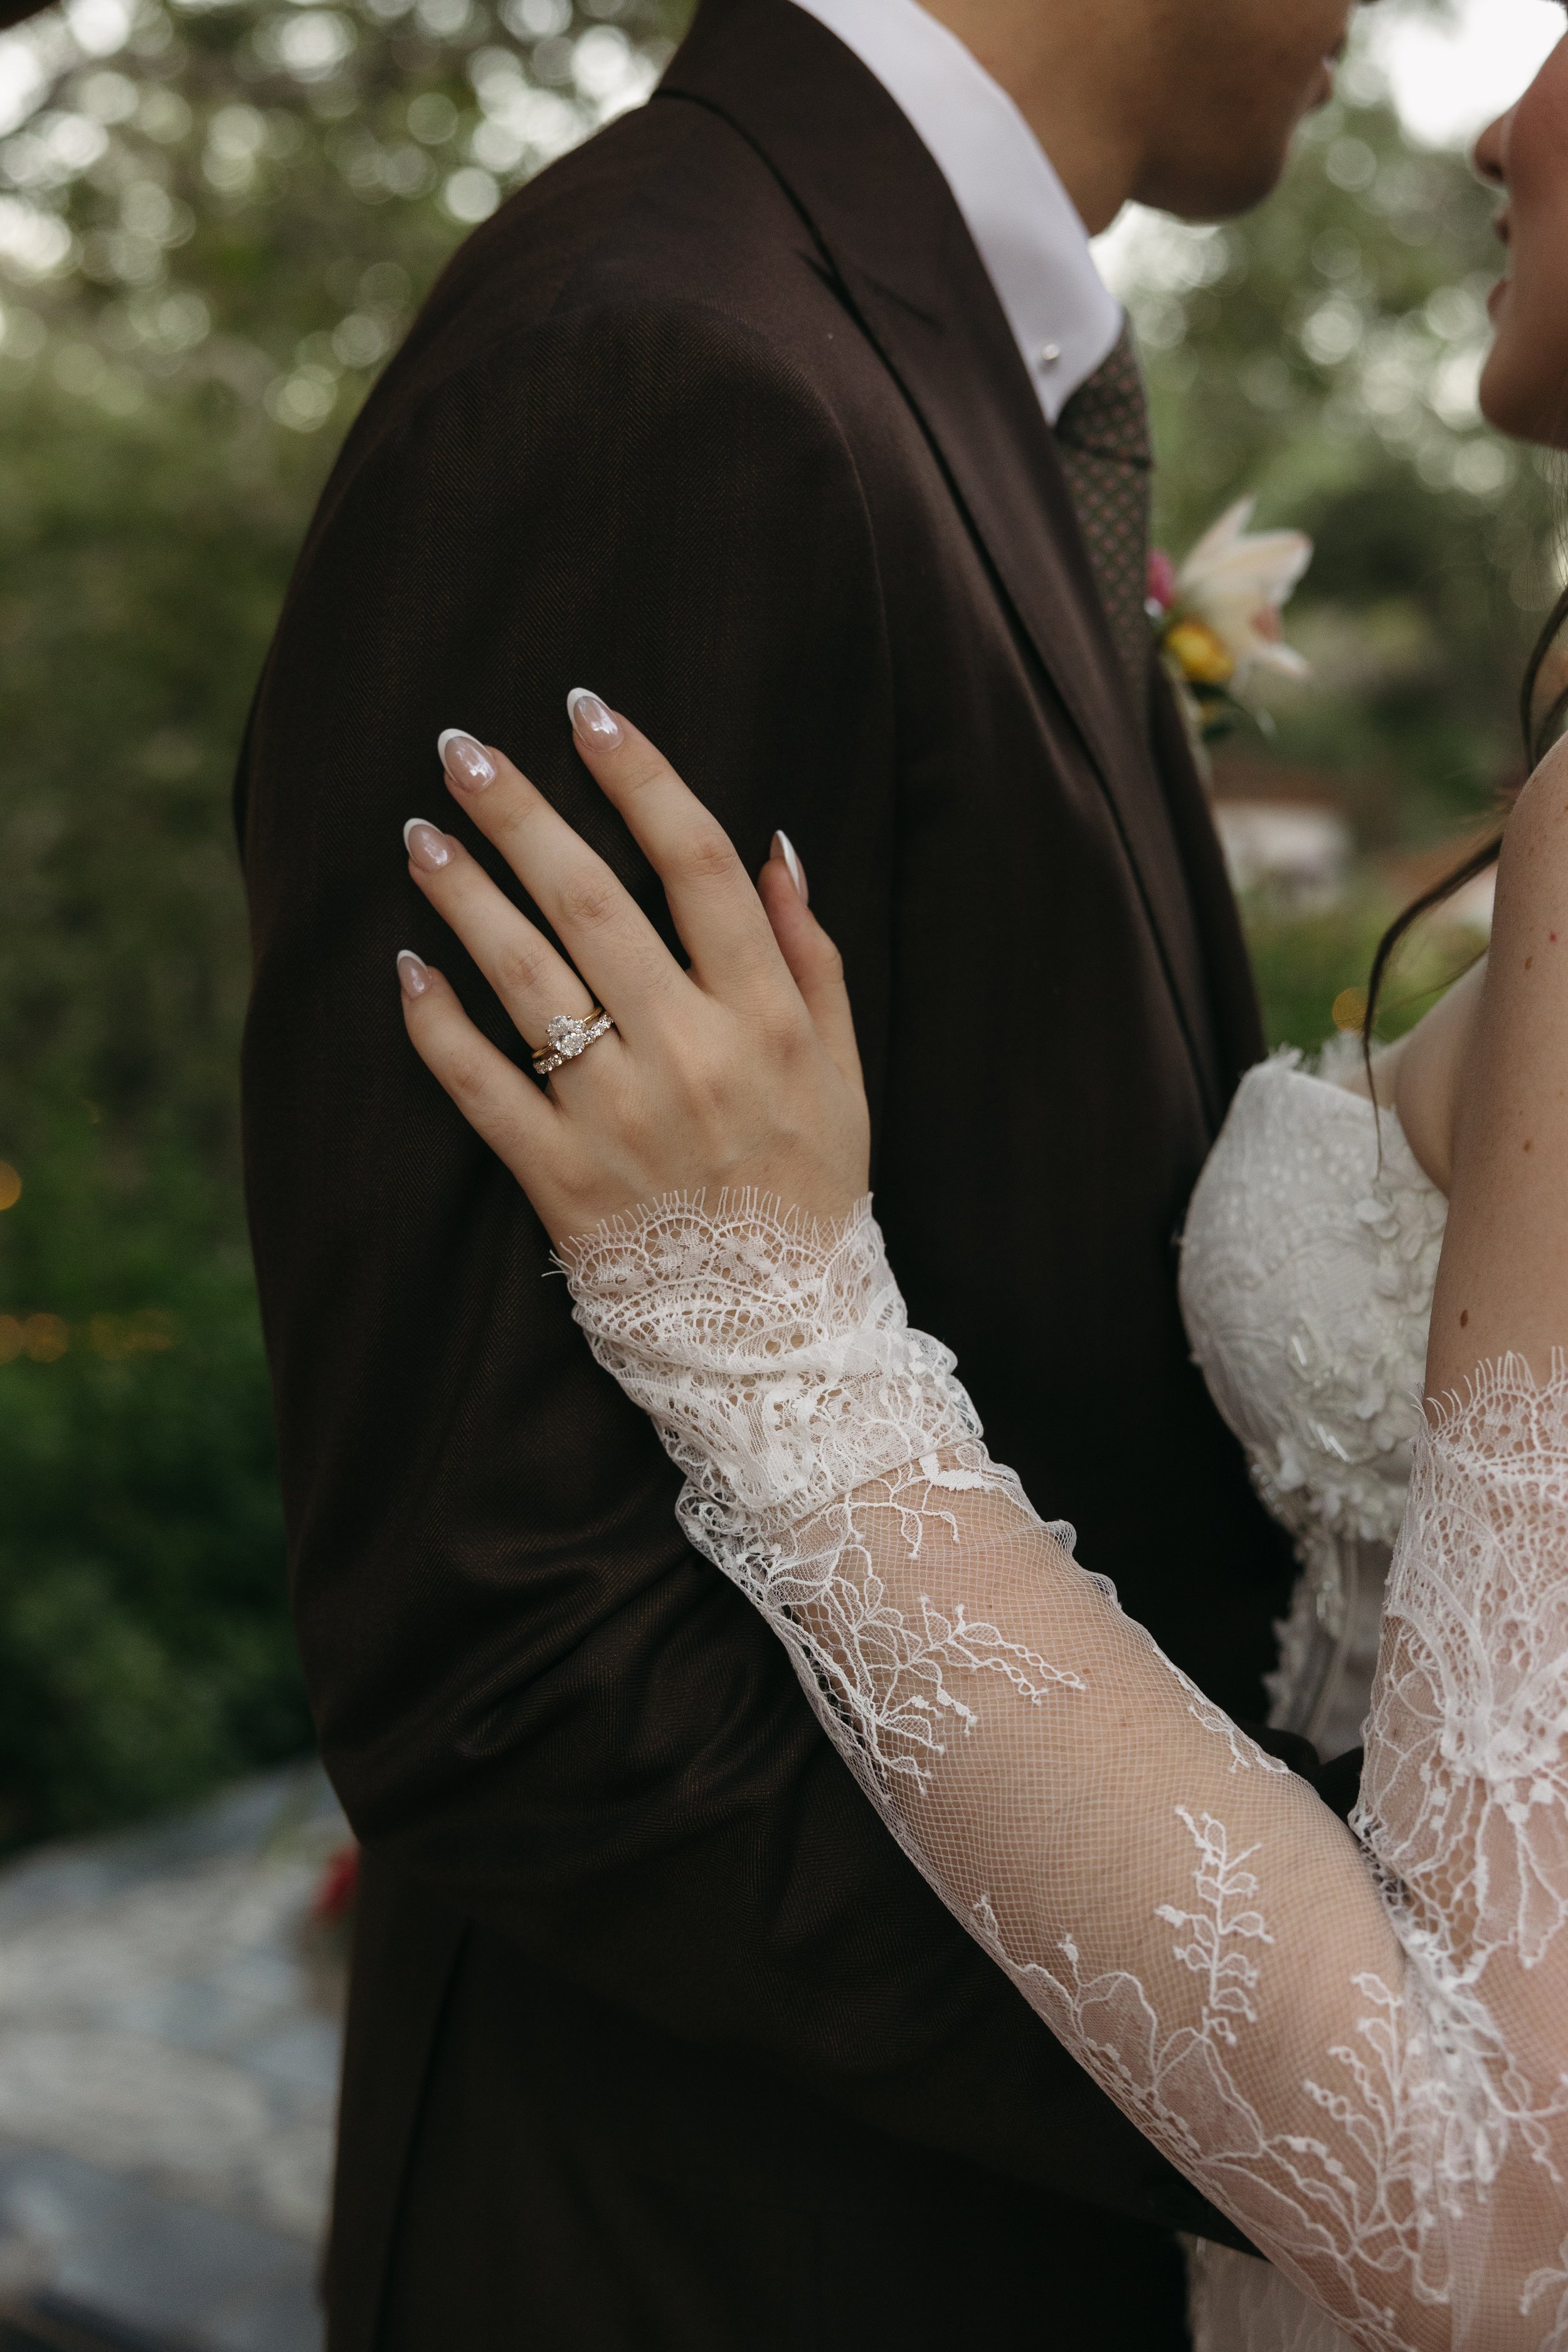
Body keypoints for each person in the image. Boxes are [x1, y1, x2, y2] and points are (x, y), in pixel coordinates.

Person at [386, 33, 1568, 2351]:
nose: (1491, 111)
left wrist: (772, 1337)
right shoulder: (670, 357)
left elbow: (1495, 2199)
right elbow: (492, 1606)